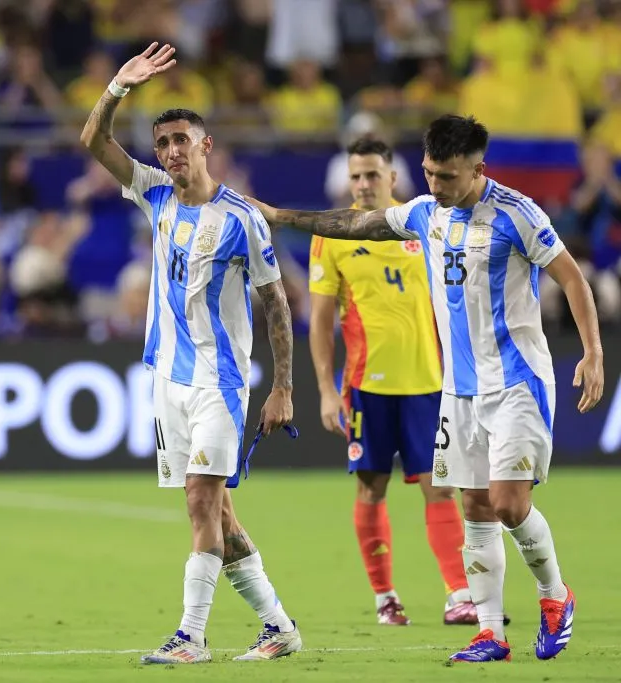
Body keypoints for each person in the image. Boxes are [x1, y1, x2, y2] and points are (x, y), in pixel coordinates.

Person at [250, 115, 604, 663]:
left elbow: (572, 278)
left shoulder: (518, 214)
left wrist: (593, 351)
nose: (436, 186)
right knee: (476, 508)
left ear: (477, 170)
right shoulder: (424, 213)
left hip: (516, 382)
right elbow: (355, 224)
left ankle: (556, 596)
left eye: (448, 177)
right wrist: (280, 216)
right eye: (430, 174)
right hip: (458, 391)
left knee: (510, 504)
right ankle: (490, 633)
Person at [79, 43, 302, 665]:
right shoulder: (153, 195)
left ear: (206, 146)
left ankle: (190, 638)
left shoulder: (242, 220)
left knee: (200, 502)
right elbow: (94, 142)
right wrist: (117, 88)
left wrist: (282, 386)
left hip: (221, 382)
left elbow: (276, 305)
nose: (172, 150)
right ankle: (279, 627)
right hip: (166, 381)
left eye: (182, 138)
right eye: (163, 143)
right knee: (221, 517)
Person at [310, 137, 478, 626]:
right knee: (371, 487)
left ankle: (459, 594)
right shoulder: (333, 234)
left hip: (429, 383)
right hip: (366, 386)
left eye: (371, 175)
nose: (362, 184)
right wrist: (324, 389)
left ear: (393, 178)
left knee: (441, 488)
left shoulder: (425, 223)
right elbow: (321, 324)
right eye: (355, 176)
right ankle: (386, 598)